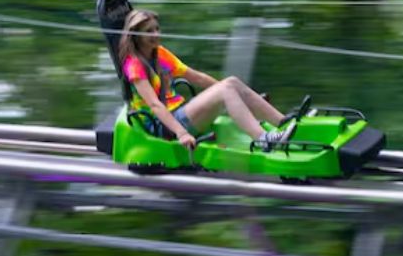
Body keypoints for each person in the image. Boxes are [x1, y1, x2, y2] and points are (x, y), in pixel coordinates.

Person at [118, 9, 295, 152]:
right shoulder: (134, 66)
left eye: (157, 29)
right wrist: (181, 133)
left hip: (180, 112)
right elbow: (155, 105)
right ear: (136, 35)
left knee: (230, 82)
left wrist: (238, 94)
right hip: (165, 126)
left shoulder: (160, 53)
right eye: (149, 31)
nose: (156, 34)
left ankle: (283, 122)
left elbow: (196, 77)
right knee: (226, 89)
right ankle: (263, 139)